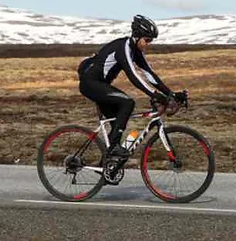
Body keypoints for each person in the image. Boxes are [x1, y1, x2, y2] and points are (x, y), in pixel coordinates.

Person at [77, 14, 186, 161]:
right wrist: (154, 94)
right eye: (147, 40)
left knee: (117, 126)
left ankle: (106, 166)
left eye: (151, 41)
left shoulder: (136, 51)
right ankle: (114, 147)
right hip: (90, 84)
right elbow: (133, 75)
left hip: (100, 85)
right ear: (137, 36)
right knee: (127, 102)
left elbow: (149, 74)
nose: (148, 44)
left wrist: (171, 94)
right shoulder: (123, 47)